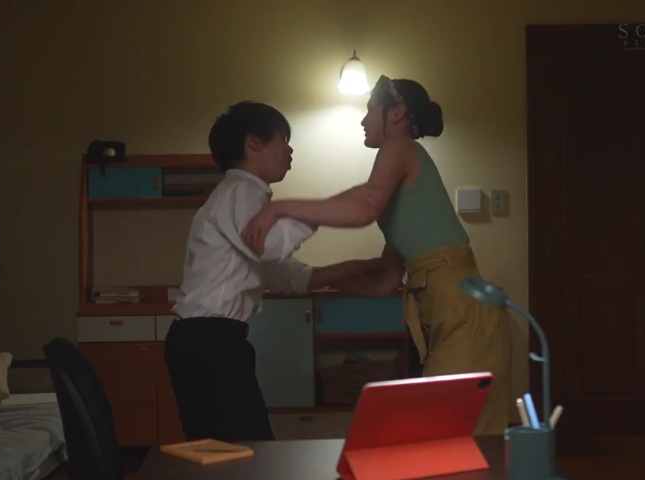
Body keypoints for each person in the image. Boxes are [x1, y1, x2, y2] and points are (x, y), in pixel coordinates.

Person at [240, 77, 512, 434]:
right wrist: (316, 282)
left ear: (396, 113)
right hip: (450, 310)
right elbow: (385, 279)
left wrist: (279, 208)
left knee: (454, 434)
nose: (364, 120)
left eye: (371, 109)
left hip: (464, 311)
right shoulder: (397, 184)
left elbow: (365, 204)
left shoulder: (400, 147)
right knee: (451, 434)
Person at [166, 101, 378, 442]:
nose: (290, 150)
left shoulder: (243, 198)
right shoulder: (241, 190)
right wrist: (329, 210)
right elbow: (270, 246)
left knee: (232, 448)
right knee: (241, 449)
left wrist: (363, 267)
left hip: (209, 341)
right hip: (208, 342)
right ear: (254, 142)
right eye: (284, 139)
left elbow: (289, 277)